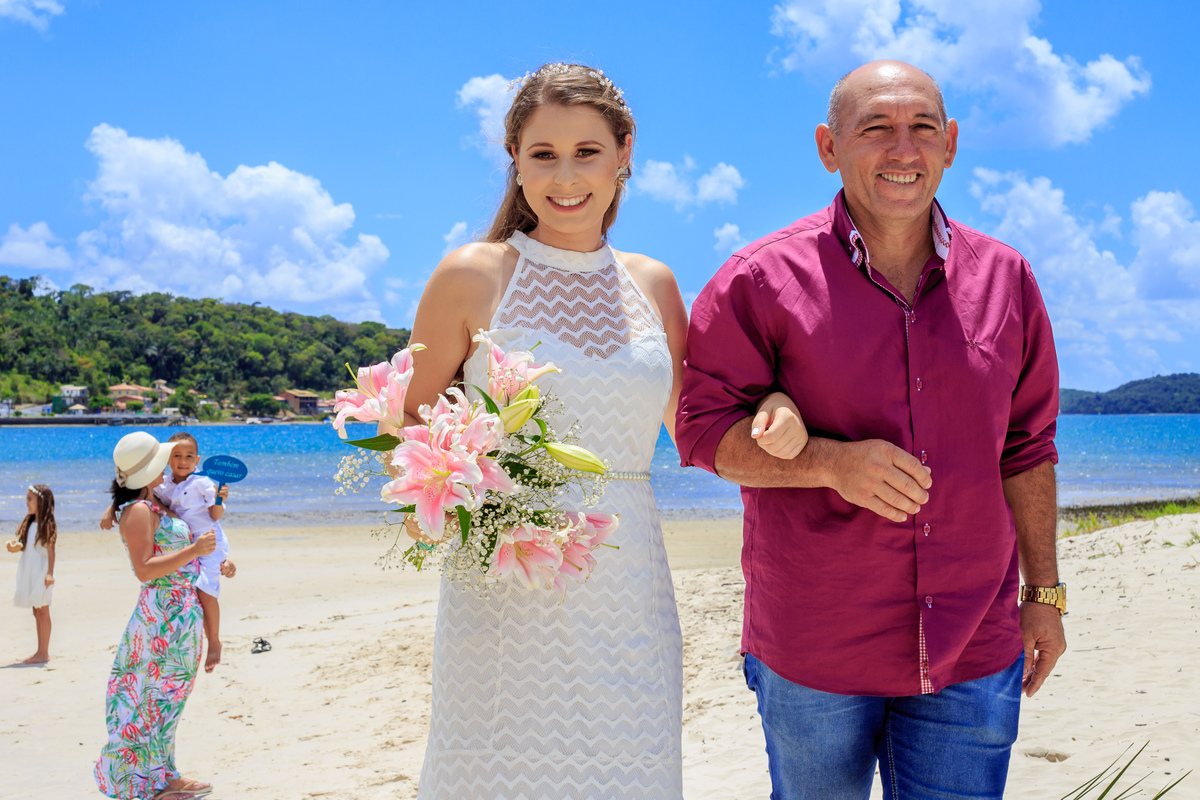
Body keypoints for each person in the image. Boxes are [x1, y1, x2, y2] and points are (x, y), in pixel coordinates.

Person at [675, 60, 1065, 799]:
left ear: (950, 143)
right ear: (828, 146)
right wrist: (828, 464)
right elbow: (700, 432)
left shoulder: (1008, 278)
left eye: (922, 129)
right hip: (815, 644)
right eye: (875, 129)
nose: (903, 150)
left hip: (973, 642)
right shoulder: (758, 279)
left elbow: (1028, 447)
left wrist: (1044, 593)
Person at [397, 62, 689, 799]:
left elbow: (697, 428)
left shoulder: (653, 283)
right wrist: (487, 500)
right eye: (543, 154)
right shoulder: (474, 274)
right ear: (516, 161)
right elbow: (410, 427)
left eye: (587, 151)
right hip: (505, 584)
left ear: (625, 152)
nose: (566, 176)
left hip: (630, 583)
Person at [95, 431, 217, 800]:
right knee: (149, 700)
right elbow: (145, 569)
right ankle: (143, 784)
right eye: (161, 459)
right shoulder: (138, 510)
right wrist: (194, 548)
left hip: (181, 614)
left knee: (169, 700)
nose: (168, 464)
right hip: (160, 617)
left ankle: (165, 774)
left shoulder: (158, 504)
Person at [101, 431, 236, 672]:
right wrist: (114, 505)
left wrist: (219, 559)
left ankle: (214, 639)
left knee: (207, 590)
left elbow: (211, 520)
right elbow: (144, 569)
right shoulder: (145, 505)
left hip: (186, 597)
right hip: (165, 608)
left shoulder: (178, 492)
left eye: (188, 456)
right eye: (170, 457)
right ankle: (213, 639)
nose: (177, 462)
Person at [6, 483, 57, 664]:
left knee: (43, 610)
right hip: (29, 567)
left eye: (30, 499)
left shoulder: (46, 524)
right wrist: (16, 547)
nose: (26, 502)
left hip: (41, 569)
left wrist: (50, 573)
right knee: (36, 611)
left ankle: (44, 652)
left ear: (41, 502)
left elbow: (51, 550)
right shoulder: (30, 522)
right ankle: (39, 651)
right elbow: (26, 545)